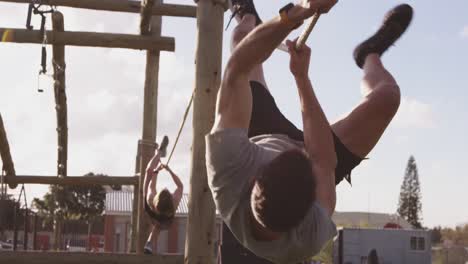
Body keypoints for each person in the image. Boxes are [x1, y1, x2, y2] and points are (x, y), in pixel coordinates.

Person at [205, 0, 413, 263]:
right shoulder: (311, 231)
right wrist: (302, 78)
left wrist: (301, 10)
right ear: (308, 205)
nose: (295, 148)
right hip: (317, 159)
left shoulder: (229, 170)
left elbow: (237, 67)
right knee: (387, 97)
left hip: (259, 135)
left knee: (241, 40)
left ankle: (246, 13)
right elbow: (323, 159)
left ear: (254, 177)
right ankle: (369, 54)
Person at [142, 136, 184, 254]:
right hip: (164, 221)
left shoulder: (149, 200)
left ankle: (160, 152)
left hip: (157, 217)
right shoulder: (174, 202)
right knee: (157, 228)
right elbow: (180, 186)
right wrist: (169, 170)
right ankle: (149, 243)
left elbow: (151, 184)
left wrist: (156, 171)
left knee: (148, 173)